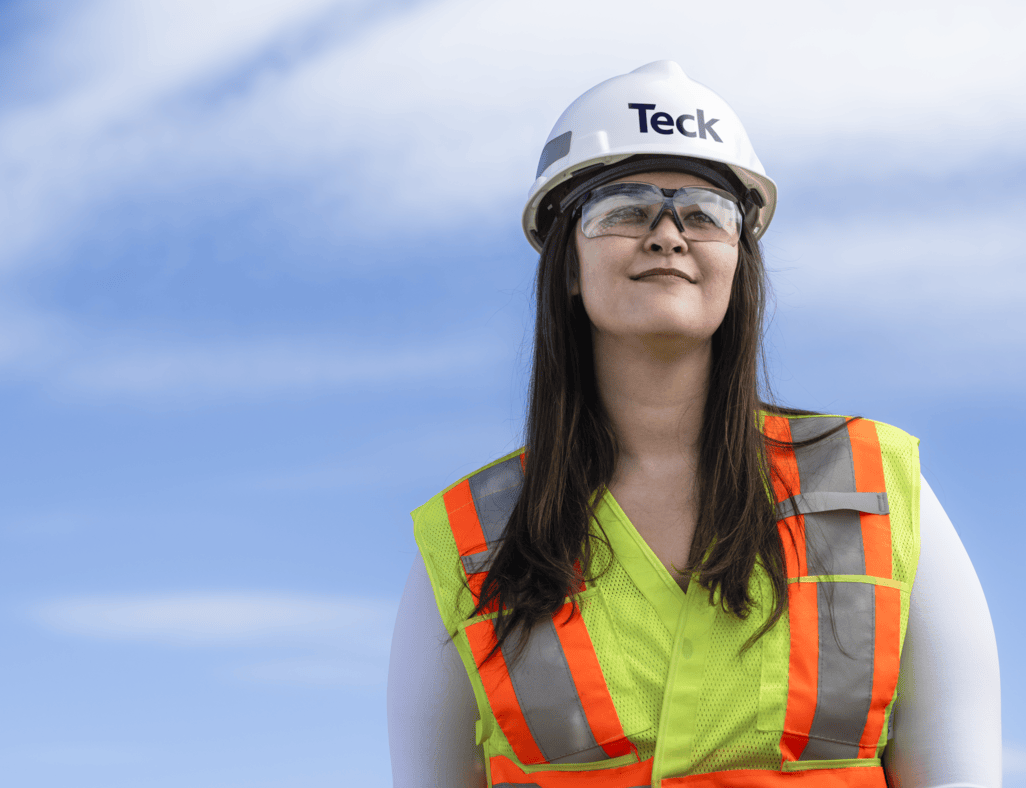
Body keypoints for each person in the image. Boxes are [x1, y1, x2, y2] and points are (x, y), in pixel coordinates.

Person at [386, 62, 1000, 788]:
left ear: (740, 260)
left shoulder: (882, 490)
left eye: (706, 212)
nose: (668, 234)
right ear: (570, 264)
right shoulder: (468, 544)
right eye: (622, 207)